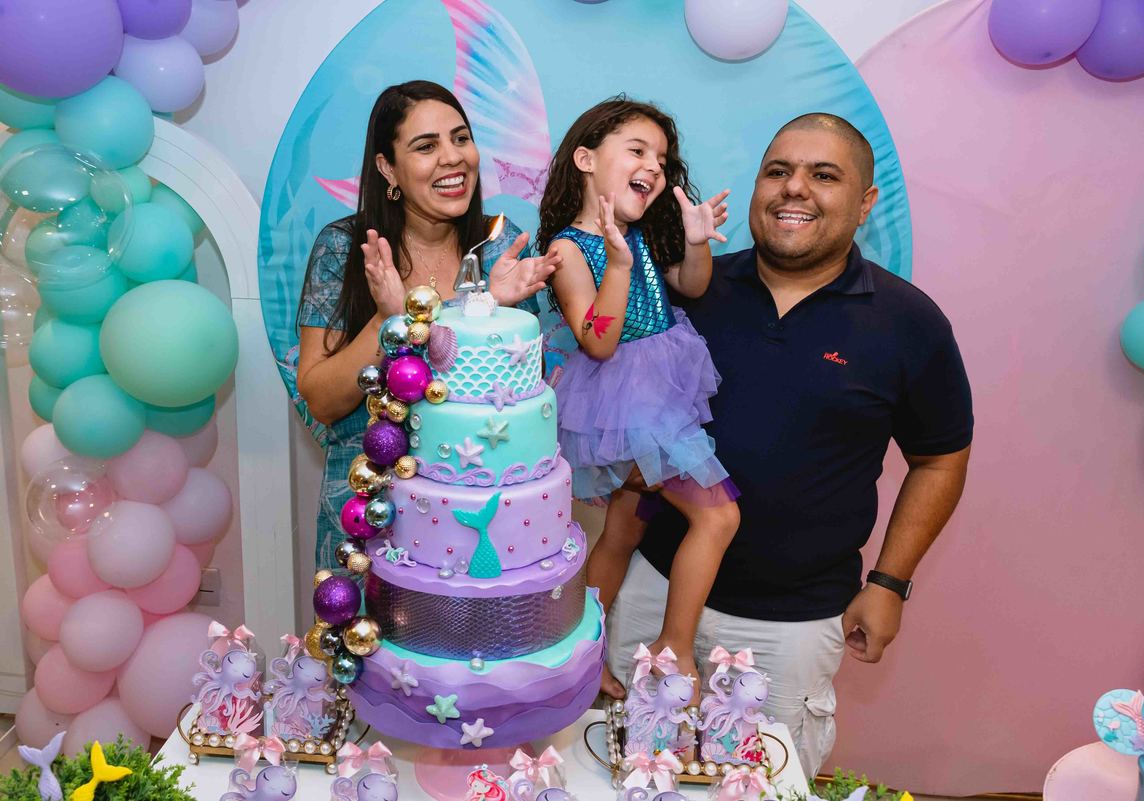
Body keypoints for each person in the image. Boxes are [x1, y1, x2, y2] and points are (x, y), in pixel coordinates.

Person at [607, 113, 973, 777]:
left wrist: (889, 581)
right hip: (656, 596)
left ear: (864, 203)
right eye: (777, 171)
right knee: (624, 775)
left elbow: (940, 457)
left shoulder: (908, 322)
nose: (793, 188)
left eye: (822, 175)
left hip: (790, 628)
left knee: (758, 786)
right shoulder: (692, 289)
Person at [296, 81, 558, 569]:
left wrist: (489, 308)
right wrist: (387, 319)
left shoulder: (499, 247)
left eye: (461, 138)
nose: (452, 158)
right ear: (387, 168)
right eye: (425, 146)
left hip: (482, 519)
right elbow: (322, 400)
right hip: (372, 510)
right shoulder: (345, 250)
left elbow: (517, 397)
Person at [538, 97, 740, 699]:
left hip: (659, 393)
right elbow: (596, 342)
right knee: (718, 513)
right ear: (585, 159)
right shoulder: (572, 248)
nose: (654, 165)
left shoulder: (638, 236)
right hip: (623, 406)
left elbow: (692, 285)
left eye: (662, 158)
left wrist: (698, 242)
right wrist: (618, 266)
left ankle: (584, 655)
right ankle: (674, 647)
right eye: (637, 150)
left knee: (624, 530)